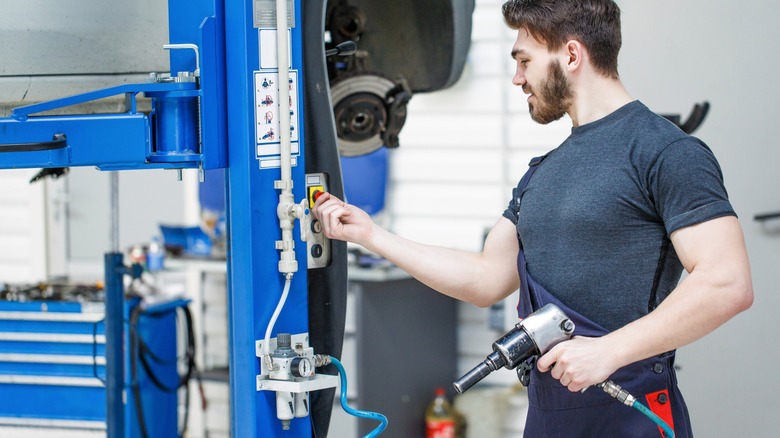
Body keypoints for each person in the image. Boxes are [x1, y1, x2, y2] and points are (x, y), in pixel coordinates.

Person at [313, 0, 753, 436]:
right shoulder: (543, 171)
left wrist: (609, 351)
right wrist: (371, 235)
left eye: (524, 60)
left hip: (629, 410)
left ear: (572, 55)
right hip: (549, 414)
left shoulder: (665, 152)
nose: (517, 77)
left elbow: (726, 281)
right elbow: (486, 278)